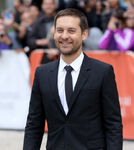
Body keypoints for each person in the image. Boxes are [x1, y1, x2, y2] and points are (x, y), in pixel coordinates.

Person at [23, 8, 123, 150]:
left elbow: (113, 124)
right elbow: (34, 124)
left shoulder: (103, 72)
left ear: (84, 34)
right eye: (60, 30)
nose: (64, 36)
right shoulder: (42, 73)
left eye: (71, 31)